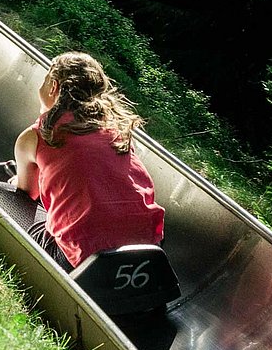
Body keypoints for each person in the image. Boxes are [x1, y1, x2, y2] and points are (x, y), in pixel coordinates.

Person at [10, 52, 165, 271]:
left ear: (53, 86)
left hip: (85, 261)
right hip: (147, 255)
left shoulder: (37, 136)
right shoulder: (116, 131)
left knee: (3, 193)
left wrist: (15, 180)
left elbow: (27, 196)